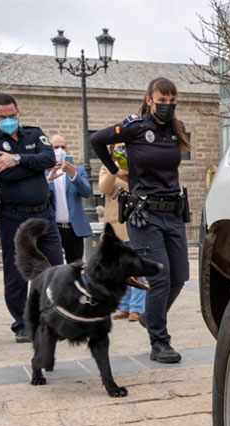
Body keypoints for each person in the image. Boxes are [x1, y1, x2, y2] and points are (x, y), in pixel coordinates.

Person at [91, 77, 192, 363]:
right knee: (160, 277)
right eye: (162, 101)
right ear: (149, 100)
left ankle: (151, 316)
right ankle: (160, 342)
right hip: (143, 214)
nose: (167, 107)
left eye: (172, 102)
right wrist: (114, 170)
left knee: (180, 276)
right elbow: (97, 140)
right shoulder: (135, 127)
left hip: (172, 212)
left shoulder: (177, 129)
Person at [0, 93, 63, 343]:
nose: (8, 120)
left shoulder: (35, 133)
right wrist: (33, 165)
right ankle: (23, 323)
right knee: (16, 273)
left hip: (44, 214)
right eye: (2, 117)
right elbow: (5, 175)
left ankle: (51, 318)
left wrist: (16, 159)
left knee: (55, 268)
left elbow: (49, 159)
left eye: (12, 116)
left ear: (19, 112)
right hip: (14, 218)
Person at [98, 142, 145, 322]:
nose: (121, 150)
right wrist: (115, 167)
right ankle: (123, 306)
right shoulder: (106, 168)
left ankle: (137, 308)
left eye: (124, 147)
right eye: (117, 147)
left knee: (136, 268)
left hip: (134, 224)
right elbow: (104, 188)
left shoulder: (138, 165)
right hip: (115, 225)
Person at [47, 134, 93, 263]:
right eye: (56, 147)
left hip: (73, 229)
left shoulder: (78, 170)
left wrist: (74, 175)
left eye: (63, 147)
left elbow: (87, 192)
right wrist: (49, 179)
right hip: (53, 228)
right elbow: (38, 195)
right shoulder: (43, 172)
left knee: (76, 266)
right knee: (53, 266)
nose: (60, 150)